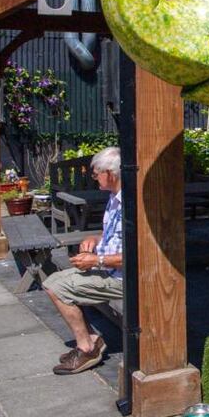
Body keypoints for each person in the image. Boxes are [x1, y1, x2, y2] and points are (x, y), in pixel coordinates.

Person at [43, 147, 123, 375]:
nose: (94, 176)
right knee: (53, 282)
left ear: (111, 173)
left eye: (97, 172)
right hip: (108, 270)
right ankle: (91, 339)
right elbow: (115, 237)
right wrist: (94, 239)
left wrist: (96, 261)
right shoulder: (114, 199)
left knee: (56, 287)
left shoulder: (128, 203)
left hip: (121, 278)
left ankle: (87, 347)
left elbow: (138, 254)